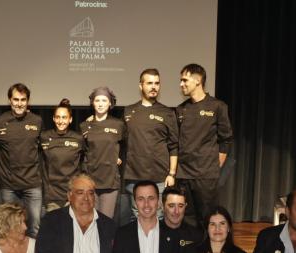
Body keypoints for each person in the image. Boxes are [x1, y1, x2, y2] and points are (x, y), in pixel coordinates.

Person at [176, 64, 234, 225]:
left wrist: (215, 165)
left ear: (198, 80)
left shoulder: (217, 106)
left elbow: (226, 139)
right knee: (186, 220)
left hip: (206, 175)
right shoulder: (181, 109)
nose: (181, 84)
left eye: (184, 80)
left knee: (207, 219)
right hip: (183, 175)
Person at [123, 68, 179, 218]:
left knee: (158, 217)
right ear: (141, 85)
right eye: (149, 83)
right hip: (134, 176)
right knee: (136, 217)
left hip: (159, 177)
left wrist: (172, 173)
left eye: (157, 83)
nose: (153, 87)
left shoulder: (167, 113)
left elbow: (174, 146)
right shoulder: (128, 111)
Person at [0, 83, 43, 236]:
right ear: (10, 100)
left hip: (32, 184)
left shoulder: (37, 121)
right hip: (9, 186)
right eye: (16, 99)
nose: (19, 103)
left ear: (28, 101)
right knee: (10, 228)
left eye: (23, 100)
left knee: (34, 229)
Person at [80, 87, 125, 218]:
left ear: (110, 103)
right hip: (90, 180)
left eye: (104, 100)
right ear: (92, 103)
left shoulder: (118, 124)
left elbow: (126, 145)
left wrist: (119, 157)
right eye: (97, 100)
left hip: (110, 180)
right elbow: (82, 152)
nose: (100, 104)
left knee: (105, 221)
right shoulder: (84, 126)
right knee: (90, 220)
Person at [40, 98, 84, 212]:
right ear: (53, 118)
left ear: (70, 119)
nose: (61, 121)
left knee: (72, 223)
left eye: (64, 117)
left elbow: (89, 158)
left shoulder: (78, 138)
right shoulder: (44, 137)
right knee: (54, 223)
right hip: (52, 195)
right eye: (58, 117)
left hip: (72, 193)